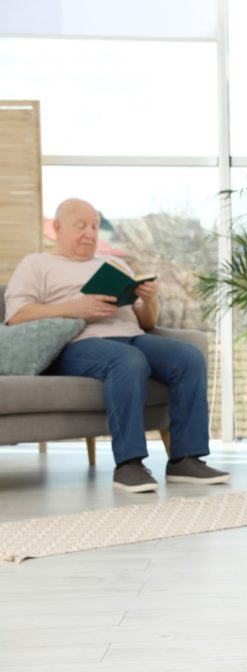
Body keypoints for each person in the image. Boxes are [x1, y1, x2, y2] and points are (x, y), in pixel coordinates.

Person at [3, 198, 230, 493]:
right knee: (127, 360)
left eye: (95, 226)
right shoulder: (37, 264)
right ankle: (129, 465)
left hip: (132, 336)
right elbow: (16, 317)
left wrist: (151, 299)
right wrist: (77, 307)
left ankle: (185, 459)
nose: (90, 233)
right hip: (77, 343)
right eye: (81, 225)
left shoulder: (114, 265)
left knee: (187, 356)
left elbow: (146, 323)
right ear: (57, 228)